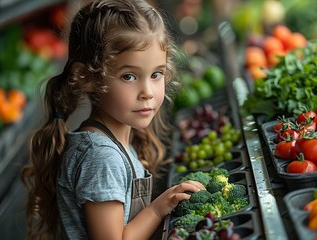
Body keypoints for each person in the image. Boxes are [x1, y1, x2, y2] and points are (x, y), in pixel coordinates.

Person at [20, 0, 205, 239]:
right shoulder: (102, 158)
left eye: (156, 74)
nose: (147, 91)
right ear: (88, 78)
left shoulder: (116, 140)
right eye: (129, 76)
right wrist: (160, 207)